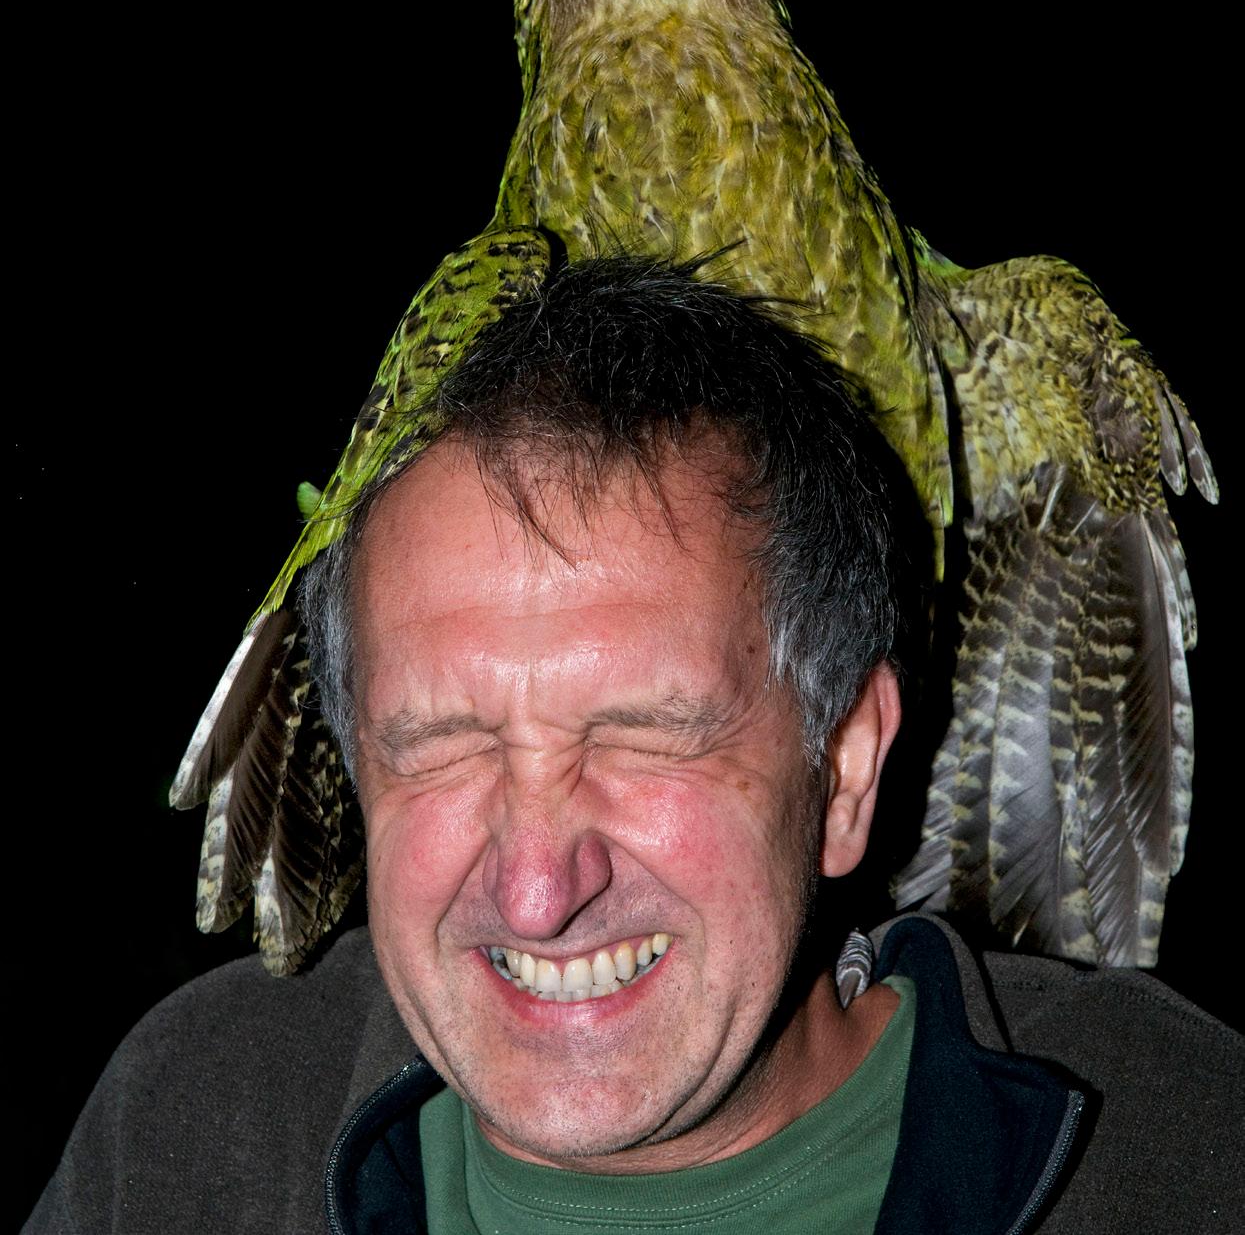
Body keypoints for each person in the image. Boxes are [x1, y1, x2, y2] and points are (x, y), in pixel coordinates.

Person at [29, 258, 1240, 1233]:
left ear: (846, 770)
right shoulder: (193, 1120)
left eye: (645, 738)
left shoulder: (1183, 1145)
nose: (537, 890)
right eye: (442, 747)